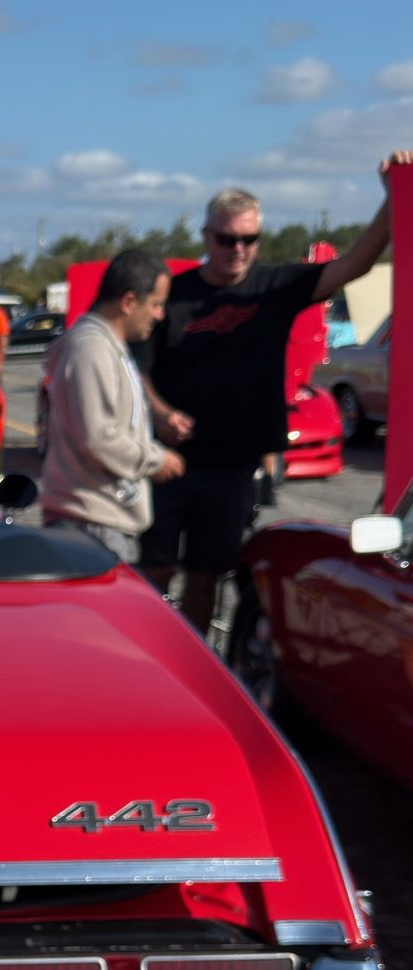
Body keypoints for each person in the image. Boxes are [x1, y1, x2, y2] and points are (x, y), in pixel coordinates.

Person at [136, 149, 413, 635]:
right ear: (206, 236)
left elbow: (356, 264)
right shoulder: (173, 296)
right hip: (168, 461)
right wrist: (159, 413)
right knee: (153, 572)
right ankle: (147, 655)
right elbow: (136, 368)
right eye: (227, 239)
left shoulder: (274, 287)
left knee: (206, 575)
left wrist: (394, 195)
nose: (238, 249)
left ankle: (194, 661)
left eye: (249, 239)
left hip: (232, 464)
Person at [40, 250, 184, 563]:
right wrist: (156, 459)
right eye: (156, 304)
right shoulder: (91, 349)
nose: (160, 315)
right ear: (128, 302)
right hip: (90, 528)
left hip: (99, 524)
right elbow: (99, 437)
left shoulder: (107, 345)